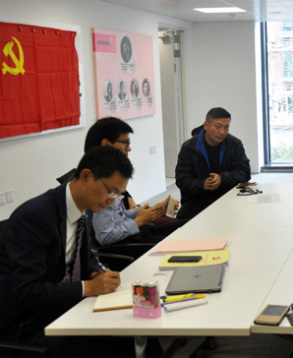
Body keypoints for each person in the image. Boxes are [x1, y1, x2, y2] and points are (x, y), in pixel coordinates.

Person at [0, 146, 137, 357]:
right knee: (114, 344)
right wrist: (88, 287)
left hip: (63, 305)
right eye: (111, 191)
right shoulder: (34, 218)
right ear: (86, 176)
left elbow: (85, 256)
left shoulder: (85, 207)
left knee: (129, 331)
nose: (111, 201)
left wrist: (93, 271)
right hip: (28, 323)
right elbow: (27, 292)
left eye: (117, 195)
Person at [84, 117, 185, 254]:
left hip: (132, 233)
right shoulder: (100, 182)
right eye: (126, 143)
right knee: (181, 244)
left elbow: (118, 216)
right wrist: (138, 221)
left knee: (186, 226)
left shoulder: (111, 173)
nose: (129, 148)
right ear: (106, 144)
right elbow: (105, 236)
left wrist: (153, 210)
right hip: (123, 245)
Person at [175, 107, 251, 220]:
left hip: (228, 196)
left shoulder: (234, 144)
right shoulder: (189, 148)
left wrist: (222, 179)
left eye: (226, 127)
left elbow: (245, 172)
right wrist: (202, 184)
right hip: (198, 199)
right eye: (218, 126)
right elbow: (181, 179)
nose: (222, 132)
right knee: (183, 220)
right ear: (206, 125)